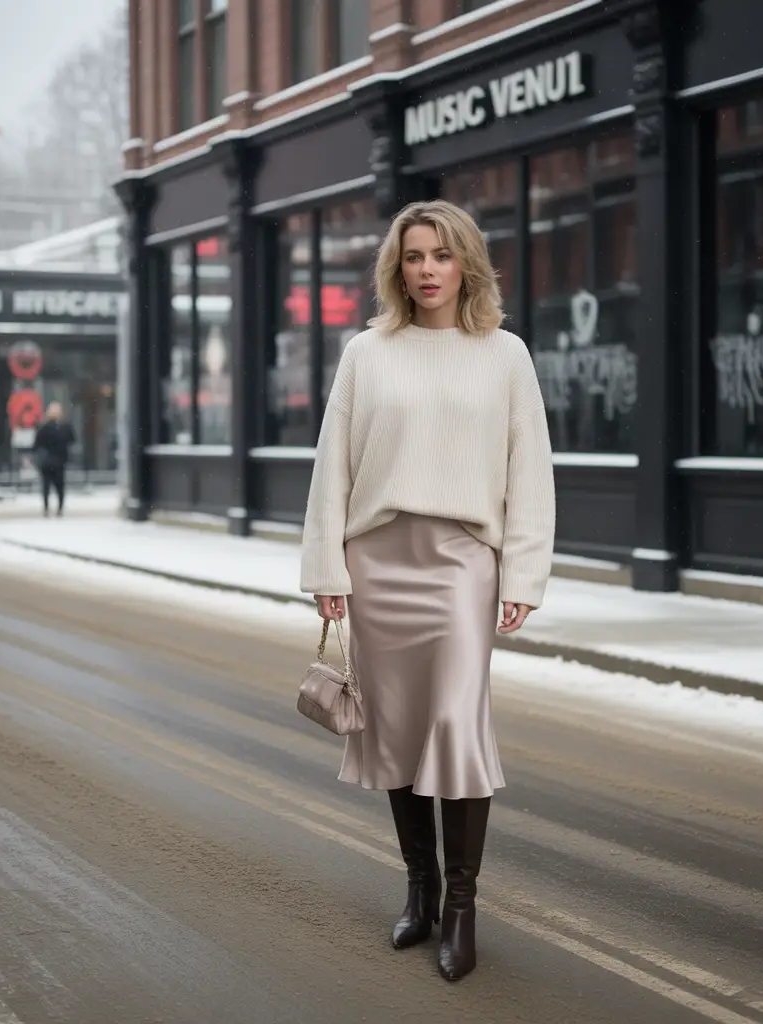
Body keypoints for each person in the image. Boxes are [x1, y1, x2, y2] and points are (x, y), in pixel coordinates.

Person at [299, 200, 555, 982]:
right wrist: (327, 572)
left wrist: (525, 572)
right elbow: (332, 467)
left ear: (465, 263)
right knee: (398, 730)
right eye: (413, 256)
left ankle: (465, 908)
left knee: (455, 724)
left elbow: (530, 470)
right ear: (397, 268)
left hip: (460, 564)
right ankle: (421, 891)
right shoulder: (366, 354)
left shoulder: (505, 354)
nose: (428, 270)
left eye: (441, 255)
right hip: (378, 561)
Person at [32, 402, 76, 517]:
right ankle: (59, 508)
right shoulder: (65, 427)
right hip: (59, 461)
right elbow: (72, 440)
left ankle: (47, 508)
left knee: (46, 486)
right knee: (59, 486)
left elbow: (36, 444)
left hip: (47, 461)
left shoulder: (44, 427)